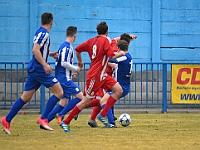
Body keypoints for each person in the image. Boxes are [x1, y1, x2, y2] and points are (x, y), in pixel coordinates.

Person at [0, 12, 63, 134]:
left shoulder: (39, 31)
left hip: (34, 67)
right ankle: (44, 118)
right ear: (51, 22)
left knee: (26, 97)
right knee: (59, 92)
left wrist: (49, 54)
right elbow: (35, 50)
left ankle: (7, 119)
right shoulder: (44, 34)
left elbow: (38, 49)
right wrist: (45, 64)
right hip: (39, 68)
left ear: (41, 21)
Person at [57, 21, 125, 132]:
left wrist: (80, 61)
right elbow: (112, 55)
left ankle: (102, 115)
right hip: (95, 76)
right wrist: (120, 53)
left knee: (119, 90)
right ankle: (66, 121)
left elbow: (78, 49)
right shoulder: (105, 40)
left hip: (102, 75)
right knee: (86, 101)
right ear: (107, 32)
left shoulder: (91, 41)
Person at [88, 33, 137, 128]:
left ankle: (110, 122)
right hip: (118, 85)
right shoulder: (128, 56)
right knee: (103, 101)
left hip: (121, 87)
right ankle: (110, 121)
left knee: (102, 101)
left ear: (119, 49)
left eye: (117, 49)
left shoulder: (124, 57)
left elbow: (112, 60)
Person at [46, 26, 83, 125]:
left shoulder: (62, 46)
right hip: (64, 79)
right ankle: (61, 115)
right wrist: (76, 68)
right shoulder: (68, 47)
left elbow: (62, 64)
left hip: (62, 77)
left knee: (64, 102)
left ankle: (45, 121)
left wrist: (72, 73)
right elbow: (64, 63)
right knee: (81, 97)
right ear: (74, 36)